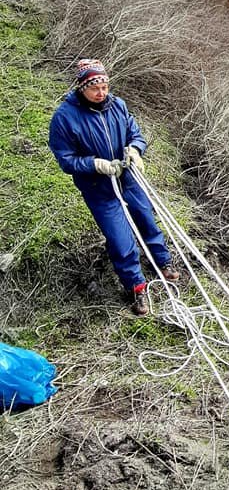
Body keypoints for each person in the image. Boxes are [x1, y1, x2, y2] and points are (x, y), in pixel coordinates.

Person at [49, 58, 179, 316]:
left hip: (128, 178)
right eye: (95, 88)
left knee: (147, 220)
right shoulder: (65, 117)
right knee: (120, 239)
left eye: (105, 87)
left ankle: (162, 260)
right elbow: (65, 158)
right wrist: (94, 164)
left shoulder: (117, 105)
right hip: (100, 188)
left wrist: (136, 150)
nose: (101, 93)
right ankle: (135, 286)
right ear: (82, 87)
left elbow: (136, 134)